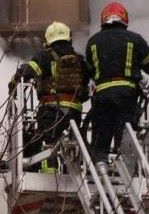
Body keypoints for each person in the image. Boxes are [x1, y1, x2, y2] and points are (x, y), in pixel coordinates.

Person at [10, 21, 90, 170]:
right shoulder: (80, 61)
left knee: (47, 145)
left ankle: (49, 174)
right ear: (69, 38)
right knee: (71, 145)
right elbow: (85, 90)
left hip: (51, 111)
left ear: (47, 41)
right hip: (75, 111)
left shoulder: (43, 57)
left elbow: (26, 73)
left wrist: (13, 84)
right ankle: (68, 173)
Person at [85, 1, 149, 163]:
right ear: (124, 19)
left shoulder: (93, 42)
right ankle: (125, 165)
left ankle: (100, 163)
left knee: (101, 139)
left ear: (103, 19)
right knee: (125, 136)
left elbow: (88, 71)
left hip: (102, 97)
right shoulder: (135, 40)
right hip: (127, 96)